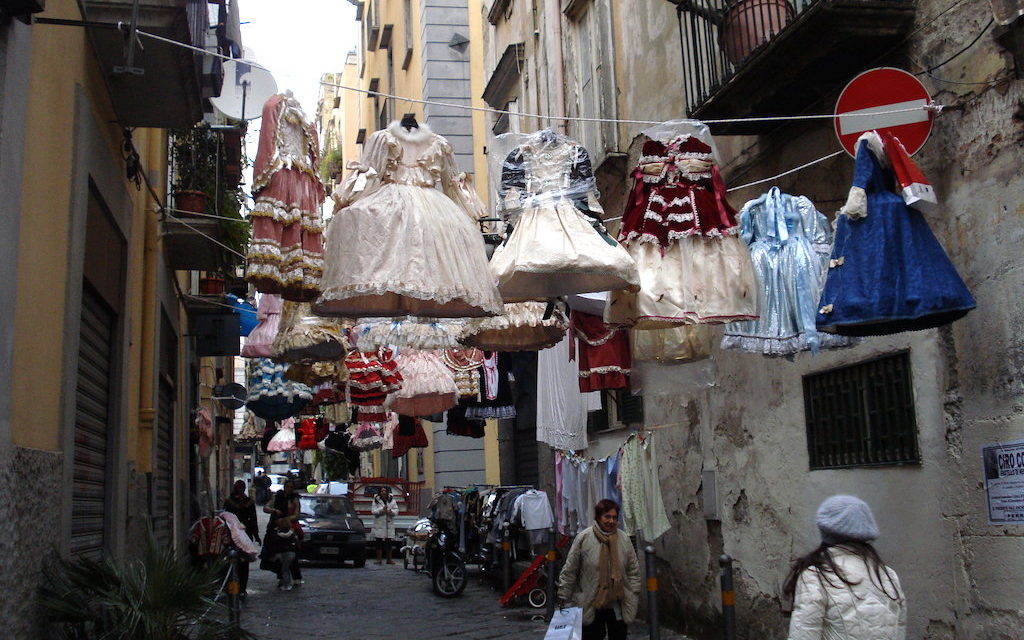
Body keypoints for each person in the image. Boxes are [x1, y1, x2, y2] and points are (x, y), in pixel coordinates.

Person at [784, 495, 906, 640]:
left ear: (826, 532)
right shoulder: (888, 575)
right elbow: (899, 631)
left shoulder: (816, 575)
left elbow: (804, 635)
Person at [557, 499, 641, 640]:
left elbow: (633, 570)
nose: (611, 521)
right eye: (607, 517)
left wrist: (633, 593)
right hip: (591, 600)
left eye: (614, 517)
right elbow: (571, 569)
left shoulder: (624, 539)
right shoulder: (584, 538)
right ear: (598, 517)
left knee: (619, 635)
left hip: (617, 601)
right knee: (592, 635)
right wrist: (564, 595)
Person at [223, 480, 260, 596]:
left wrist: (256, 535)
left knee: (241, 563)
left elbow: (253, 519)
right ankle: (235, 589)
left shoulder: (246, 502)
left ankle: (239, 589)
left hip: (242, 535)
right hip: (236, 535)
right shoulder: (231, 502)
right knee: (235, 563)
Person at [264, 480, 303, 584]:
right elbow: (266, 507)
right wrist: (274, 511)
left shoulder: (295, 499)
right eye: (288, 486)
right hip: (276, 525)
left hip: (289, 526)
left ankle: (296, 576)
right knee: (274, 549)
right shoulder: (277, 496)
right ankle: (280, 575)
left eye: (291, 487)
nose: (289, 489)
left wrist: (286, 520)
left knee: (293, 549)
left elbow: (297, 514)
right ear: (284, 487)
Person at [263, 518, 300, 591]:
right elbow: (297, 544)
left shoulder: (276, 534)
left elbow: (272, 544)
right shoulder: (292, 533)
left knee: (284, 569)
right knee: (287, 568)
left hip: (282, 554)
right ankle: (289, 582)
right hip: (292, 553)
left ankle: (287, 585)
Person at [371, 487, 398, 565]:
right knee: (379, 542)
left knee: (389, 542)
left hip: (388, 523)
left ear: (387, 492)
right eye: (382, 491)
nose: (383, 492)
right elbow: (373, 511)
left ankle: (389, 559)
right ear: (380, 492)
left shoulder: (392, 500)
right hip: (379, 523)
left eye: (385, 491)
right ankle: (379, 559)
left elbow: (396, 511)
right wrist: (381, 510)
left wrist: (390, 511)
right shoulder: (376, 500)